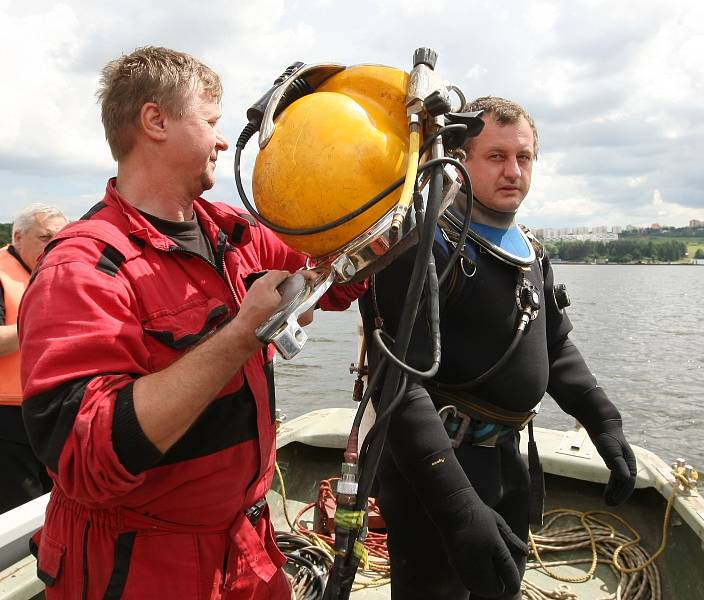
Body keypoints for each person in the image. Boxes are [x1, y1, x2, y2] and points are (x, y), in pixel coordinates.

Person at [18, 47, 364, 599]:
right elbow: (86, 457)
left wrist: (386, 194)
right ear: (155, 121)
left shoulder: (236, 233)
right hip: (138, 566)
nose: (224, 141)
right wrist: (240, 334)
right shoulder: (82, 266)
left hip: (246, 551)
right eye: (210, 122)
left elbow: (343, 278)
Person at [359, 96, 638, 599]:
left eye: (524, 157)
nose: (513, 171)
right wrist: (459, 507)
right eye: (495, 156)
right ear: (459, 161)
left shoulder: (529, 248)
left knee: (501, 587)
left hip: (509, 464)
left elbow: (554, 347)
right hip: (438, 471)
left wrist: (603, 420)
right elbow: (399, 389)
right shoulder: (422, 246)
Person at [0, 204, 67, 513]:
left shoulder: (61, 272)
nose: (54, 244)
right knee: (20, 508)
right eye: (45, 237)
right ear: (17, 236)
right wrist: (39, 324)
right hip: (7, 418)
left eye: (60, 237)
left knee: (58, 500)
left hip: (54, 409)